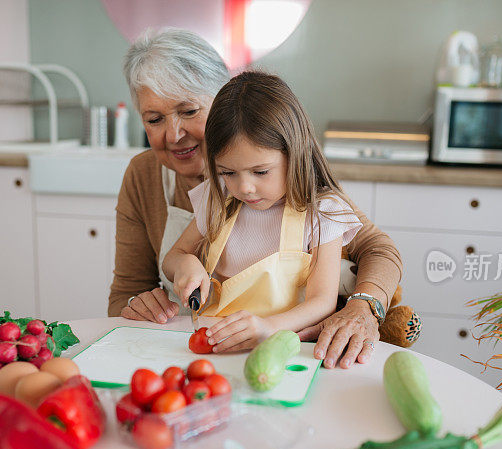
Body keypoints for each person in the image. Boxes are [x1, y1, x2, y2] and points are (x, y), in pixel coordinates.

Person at [109, 28, 402, 367]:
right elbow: (126, 293)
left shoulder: (305, 190)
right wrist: (146, 303)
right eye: (154, 119)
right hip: (207, 348)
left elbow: (378, 250)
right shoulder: (183, 187)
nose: (173, 134)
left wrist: (362, 305)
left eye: (188, 111)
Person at [163, 70, 365, 353]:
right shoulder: (218, 197)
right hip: (215, 345)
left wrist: (269, 328)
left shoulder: (322, 212)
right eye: (228, 172)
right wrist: (185, 264)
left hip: (280, 351)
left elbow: (322, 301)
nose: (244, 187)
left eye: (260, 171)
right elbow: (171, 258)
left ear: (294, 152)